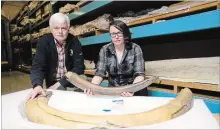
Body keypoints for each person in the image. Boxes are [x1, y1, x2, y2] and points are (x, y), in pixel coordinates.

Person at [26, 13, 85, 100]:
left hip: (70, 81)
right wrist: (37, 85)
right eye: (56, 28)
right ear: (51, 29)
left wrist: (61, 83)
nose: (60, 32)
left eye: (63, 28)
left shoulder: (74, 41)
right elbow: (38, 66)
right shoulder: (44, 42)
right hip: (52, 82)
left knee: (79, 93)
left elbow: (79, 67)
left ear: (68, 28)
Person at [84, 20, 147, 97]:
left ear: (125, 34)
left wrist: (131, 90)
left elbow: (139, 74)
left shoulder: (135, 48)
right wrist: (91, 87)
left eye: (119, 33)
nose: (116, 37)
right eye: (113, 34)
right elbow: (100, 73)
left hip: (133, 91)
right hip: (113, 91)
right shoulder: (105, 50)